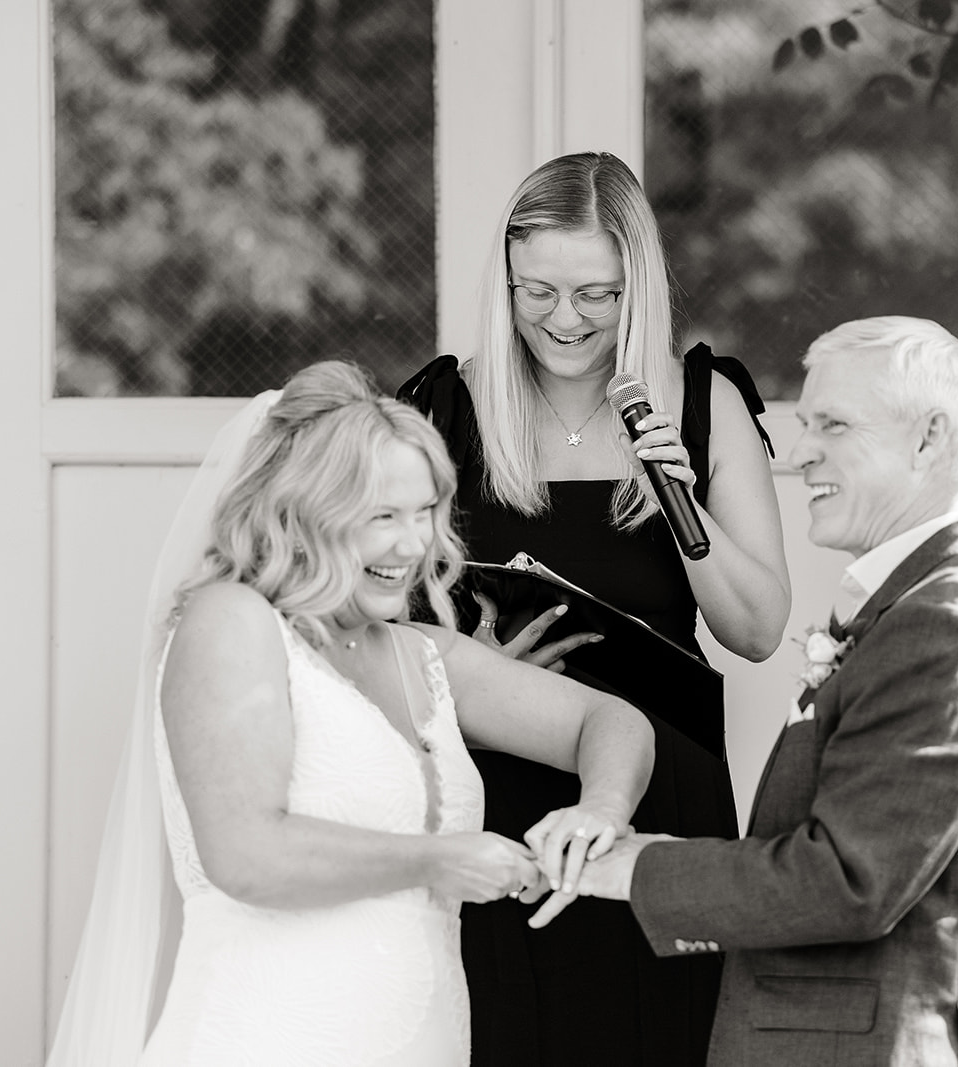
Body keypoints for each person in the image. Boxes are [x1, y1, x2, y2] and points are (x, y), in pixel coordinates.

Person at [46, 361, 655, 1067]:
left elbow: (610, 723)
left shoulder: (423, 653)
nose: (413, 544)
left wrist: (601, 811)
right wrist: (441, 859)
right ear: (304, 514)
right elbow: (244, 853)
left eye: (425, 511)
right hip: (265, 1038)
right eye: (381, 517)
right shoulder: (232, 623)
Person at [565, 317, 958, 1066]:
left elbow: (848, 879)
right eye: (805, 426)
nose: (800, 455)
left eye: (833, 425)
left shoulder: (948, 628)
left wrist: (636, 865)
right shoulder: (925, 607)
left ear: (929, 439)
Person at [398, 151, 791, 1066]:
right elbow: (374, 613)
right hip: (502, 783)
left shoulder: (704, 400)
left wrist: (682, 505)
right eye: (536, 291)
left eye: (596, 294)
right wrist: (474, 659)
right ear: (505, 278)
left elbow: (759, 630)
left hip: (665, 792)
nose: (564, 319)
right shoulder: (444, 405)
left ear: (639, 284)